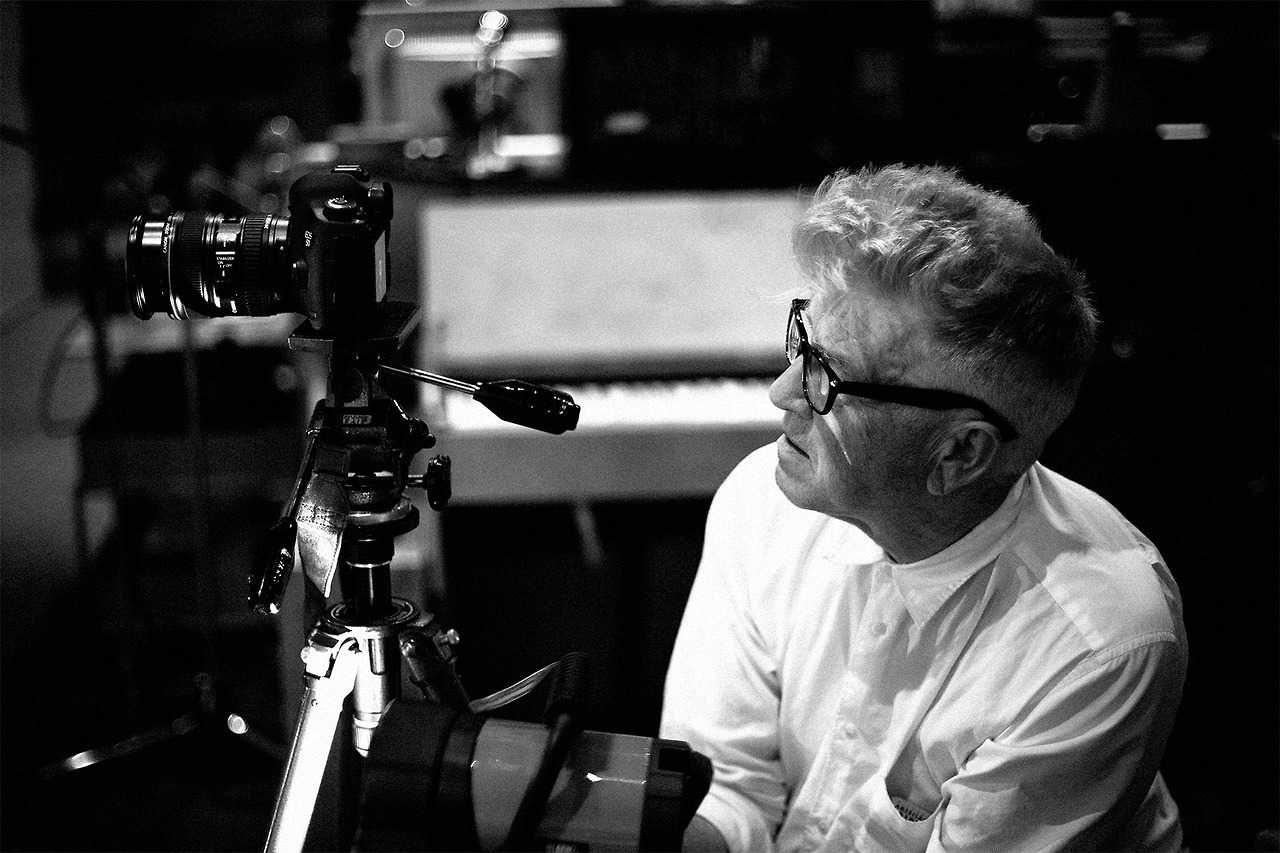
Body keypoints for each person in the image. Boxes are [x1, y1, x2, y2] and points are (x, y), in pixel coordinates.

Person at [660, 164, 1187, 852]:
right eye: (801, 342)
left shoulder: (1098, 645)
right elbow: (725, 791)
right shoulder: (763, 498)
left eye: (828, 375)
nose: (782, 391)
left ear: (959, 454)